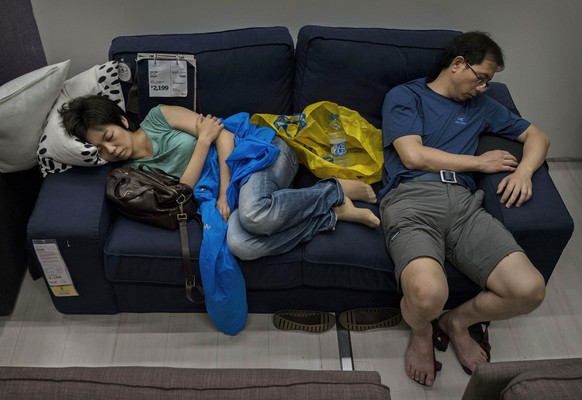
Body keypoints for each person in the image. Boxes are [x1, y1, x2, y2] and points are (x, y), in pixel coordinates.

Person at [379, 31, 549, 386]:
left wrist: (525, 171)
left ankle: (457, 321)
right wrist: (478, 163)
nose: (483, 88)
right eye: (481, 78)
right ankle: (423, 332)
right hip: (412, 199)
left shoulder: (483, 107)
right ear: (458, 64)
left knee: (530, 290)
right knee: (426, 295)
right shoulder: (405, 96)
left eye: (488, 82)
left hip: (465, 205)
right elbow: (413, 155)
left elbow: (538, 137)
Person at [59, 95, 380, 255]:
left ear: (122, 121)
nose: (110, 150)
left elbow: (224, 136)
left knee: (254, 214)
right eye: (99, 148)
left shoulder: (159, 117)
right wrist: (202, 141)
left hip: (257, 151)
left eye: (109, 136)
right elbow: (183, 188)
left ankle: (333, 189)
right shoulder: (132, 175)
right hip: (237, 183)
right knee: (241, 245)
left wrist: (226, 191)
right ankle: (331, 212)